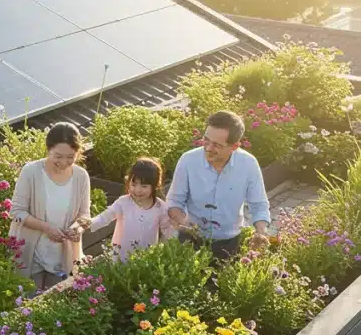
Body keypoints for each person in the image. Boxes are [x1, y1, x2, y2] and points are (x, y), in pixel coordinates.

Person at [166, 111, 271, 260]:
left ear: (234, 146)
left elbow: (259, 204)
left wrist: (260, 232)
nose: (208, 148)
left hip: (229, 243)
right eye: (206, 140)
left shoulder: (248, 164)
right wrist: (182, 221)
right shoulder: (188, 160)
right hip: (190, 239)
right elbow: (174, 200)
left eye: (217, 145)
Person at [8, 122, 92, 291]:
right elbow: (16, 212)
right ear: (48, 149)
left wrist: (77, 229)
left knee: (57, 304)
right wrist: (46, 228)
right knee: (27, 302)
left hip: (63, 255)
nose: (64, 162)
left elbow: (85, 215)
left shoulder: (81, 176)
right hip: (31, 253)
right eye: (58, 156)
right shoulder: (31, 172)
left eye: (70, 157)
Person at [81, 157, 175, 261]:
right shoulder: (123, 202)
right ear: (128, 182)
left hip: (146, 258)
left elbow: (168, 232)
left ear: (155, 186)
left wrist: (160, 250)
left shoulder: (160, 207)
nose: (137, 190)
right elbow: (105, 217)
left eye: (144, 186)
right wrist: (90, 223)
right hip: (119, 256)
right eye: (133, 184)